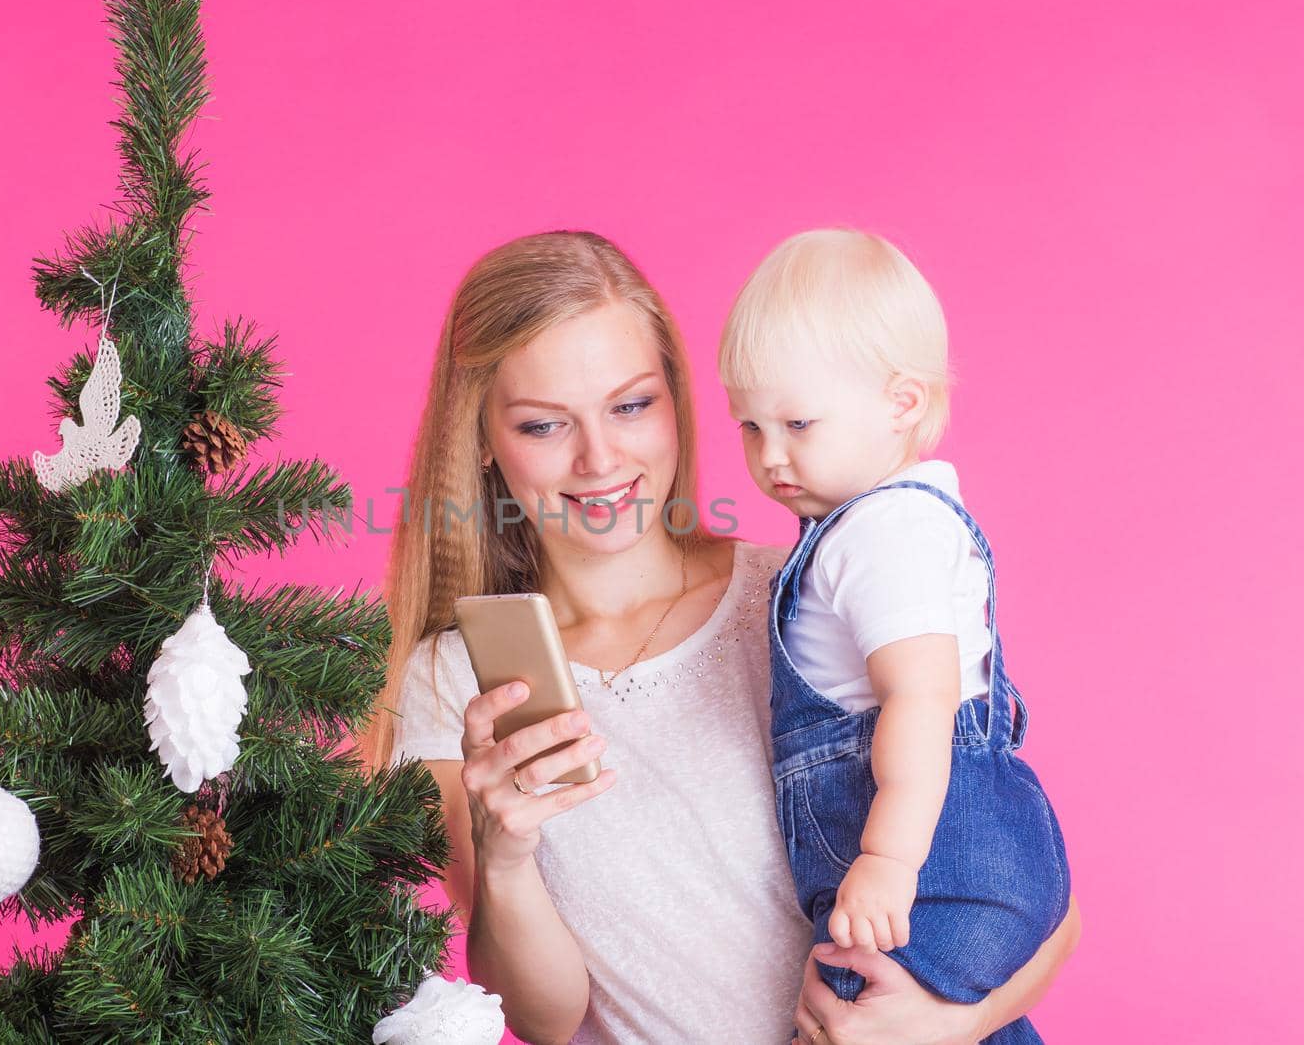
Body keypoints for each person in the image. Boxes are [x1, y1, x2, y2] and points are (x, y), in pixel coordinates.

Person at [363, 230, 1079, 1045]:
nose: (601, 458)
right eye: (542, 425)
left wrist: (955, 1021)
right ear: (485, 440)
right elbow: (545, 1017)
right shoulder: (455, 681)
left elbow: (1036, 895)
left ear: (676, 400)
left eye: (630, 405)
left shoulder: (801, 601)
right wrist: (505, 857)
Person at [719, 229, 1071, 1042]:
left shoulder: (881, 534)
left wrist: (886, 860)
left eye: (798, 423)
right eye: (749, 426)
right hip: (952, 856)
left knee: (852, 1017)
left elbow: (922, 696)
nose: (770, 456)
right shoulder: (876, 523)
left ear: (902, 402)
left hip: (934, 861)